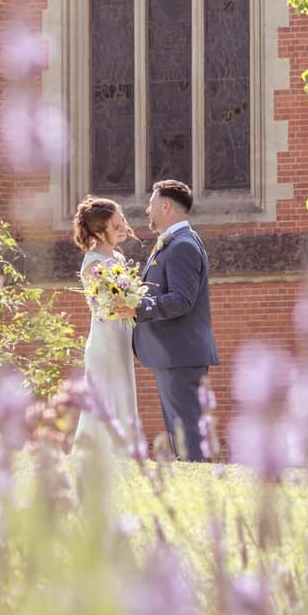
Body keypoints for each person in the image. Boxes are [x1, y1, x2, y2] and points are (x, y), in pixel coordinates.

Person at [132, 178, 217, 461]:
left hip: (180, 353)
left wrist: (137, 308)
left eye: (151, 203)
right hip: (172, 353)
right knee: (179, 430)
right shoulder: (174, 243)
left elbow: (182, 299)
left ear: (166, 206)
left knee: (188, 429)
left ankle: (199, 483)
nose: (147, 210)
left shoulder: (182, 245)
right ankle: (190, 482)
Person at [72, 196, 143, 460]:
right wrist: (123, 302)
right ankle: (97, 455)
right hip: (105, 339)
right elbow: (100, 306)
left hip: (122, 336)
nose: (123, 227)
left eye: (122, 220)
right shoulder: (93, 264)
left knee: (123, 389)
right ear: (100, 231)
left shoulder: (120, 258)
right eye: (116, 225)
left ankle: (125, 453)